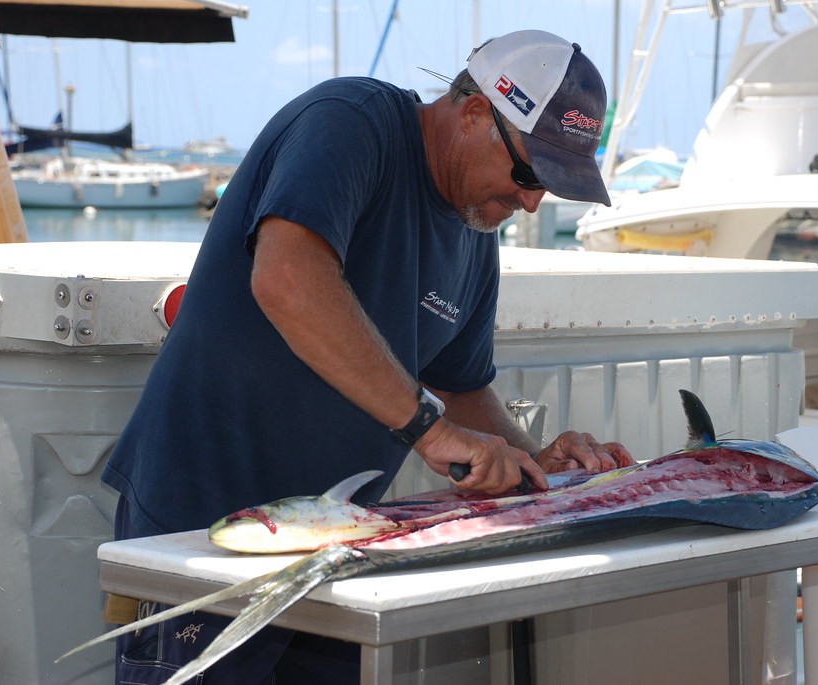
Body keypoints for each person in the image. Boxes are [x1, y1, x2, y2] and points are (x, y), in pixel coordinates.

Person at [100, 29, 632, 684]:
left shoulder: (473, 235)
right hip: (204, 522)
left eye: (549, 186)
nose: (530, 202)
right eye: (527, 173)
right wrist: (428, 431)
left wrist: (535, 462)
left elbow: (461, 387)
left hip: (335, 545)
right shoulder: (351, 123)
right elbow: (288, 280)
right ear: (471, 113)